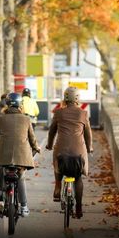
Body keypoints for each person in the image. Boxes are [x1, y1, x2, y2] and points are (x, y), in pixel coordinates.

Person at [0, 92, 40, 217]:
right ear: (20, 105)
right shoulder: (26, 119)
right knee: (20, 177)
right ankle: (24, 206)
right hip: (22, 156)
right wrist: (36, 148)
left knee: (2, 173)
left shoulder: (0, 118)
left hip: (3, 155)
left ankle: (2, 200)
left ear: (7, 104)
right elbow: (32, 138)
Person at [46, 86, 93, 218]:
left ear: (65, 98)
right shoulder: (83, 114)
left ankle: (57, 186)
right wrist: (89, 148)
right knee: (78, 178)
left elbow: (52, 131)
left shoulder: (59, 113)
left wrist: (49, 145)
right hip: (78, 154)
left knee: (57, 162)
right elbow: (88, 134)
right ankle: (78, 208)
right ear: (78, 99)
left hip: (62, 152)